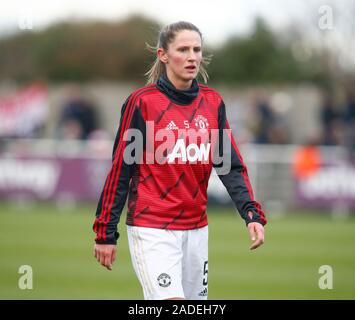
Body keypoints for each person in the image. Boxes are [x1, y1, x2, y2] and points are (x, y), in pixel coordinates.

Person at [92, 21, 267, 300]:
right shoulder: (142, 103)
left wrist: (251, 214)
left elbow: (228, 165)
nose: (192, 56)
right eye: (183, 49)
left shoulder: (213, 103)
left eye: (197, 49)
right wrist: (105, 232)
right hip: (152, 228)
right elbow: (120, 170)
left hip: (197, 230)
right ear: (163, 55)